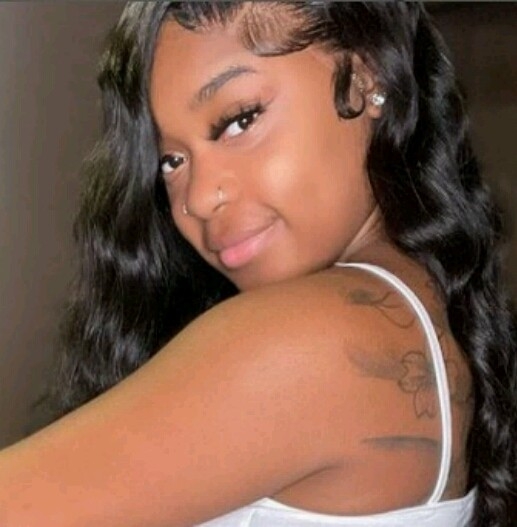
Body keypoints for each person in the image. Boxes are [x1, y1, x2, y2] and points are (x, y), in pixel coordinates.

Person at [0, 1, 515, 526]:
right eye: (171, 161)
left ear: (365, 78)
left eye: (239, 120)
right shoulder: (409, 317)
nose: (199, 197)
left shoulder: (317, 338)